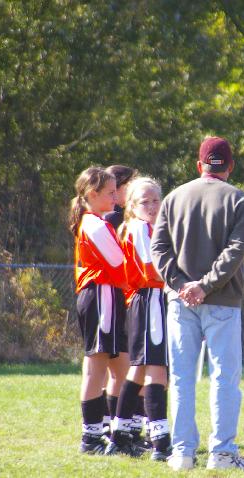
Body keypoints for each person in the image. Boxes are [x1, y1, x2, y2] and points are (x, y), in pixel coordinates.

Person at [150, 136, 244, 472]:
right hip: (223, 300)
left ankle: (182, 453)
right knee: (225, 378)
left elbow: (158, 249)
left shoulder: (173, 198)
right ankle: (222, 454)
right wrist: (206, 285)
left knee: (182, 377)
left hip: (180, 300)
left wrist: (182, 284)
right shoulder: (240, 200)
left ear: (199, 165)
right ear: (230, 166)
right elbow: (235, 251)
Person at [105, 177, 171, 460]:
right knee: (157, 371)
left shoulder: (146, 227)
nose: (152, 206)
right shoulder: (140, 227)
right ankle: (161, 442)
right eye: (145, 201)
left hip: (147, 301)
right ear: (131, 205)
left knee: (139, 371)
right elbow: (151, 269)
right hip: (150, 299)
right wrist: (182, 276)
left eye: (156, 200)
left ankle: (119, 436)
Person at [69, 166, 129, 455]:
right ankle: (91, 437)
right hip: (100, 296)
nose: (116, 198)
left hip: (107, 295)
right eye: (110, 193)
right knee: (96, 369)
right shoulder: (94, 224)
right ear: (92, 195)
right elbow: (119, 262)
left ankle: (117, 432)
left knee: (120, 368)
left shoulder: (97, 221)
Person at [102, 165, 147, 446]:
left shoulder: (132, 218)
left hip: (128, 300)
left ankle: (125, 427)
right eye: (131, 183)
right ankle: (119, 427)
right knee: (125, 370)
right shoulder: (113, 220)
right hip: (122, 300)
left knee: (131, 368)